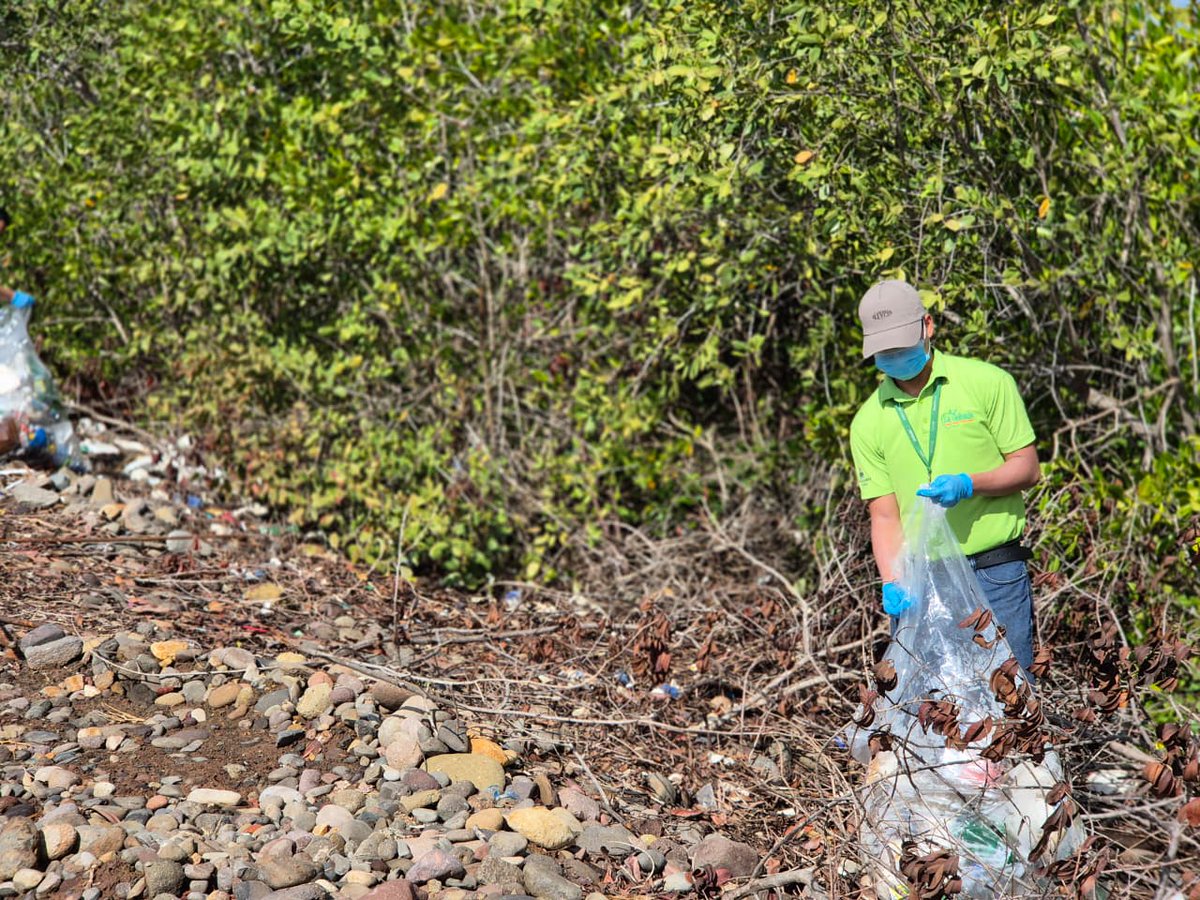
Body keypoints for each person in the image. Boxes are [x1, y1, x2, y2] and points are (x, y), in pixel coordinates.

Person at [849, 280, 1040, 671]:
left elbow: (1027, 467)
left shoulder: (987, 383)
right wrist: (893, 582)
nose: (894, 355)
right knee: (934, 710)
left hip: (995, 573)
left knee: (1013, 702)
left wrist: (970, 484)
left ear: (928, 326)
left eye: (900, 344)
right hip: (923, 582)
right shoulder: (868, 422)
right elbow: (885, 516)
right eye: (884, 350)